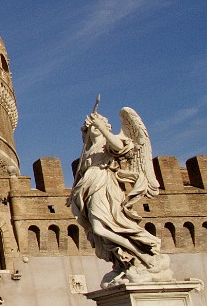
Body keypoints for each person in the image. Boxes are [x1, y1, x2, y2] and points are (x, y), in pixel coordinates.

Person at [69, 107, 172, 287]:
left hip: (104, 187)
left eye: (97, 124)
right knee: (98, 229)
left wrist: (102, 128)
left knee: (102, 227)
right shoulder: (88, 151)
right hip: (89, 189)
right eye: (90, 127)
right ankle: (122, 262)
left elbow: (119, 147)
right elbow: (82, 175)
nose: (93, 128)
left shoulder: (107, 143)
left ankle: (142, 255)